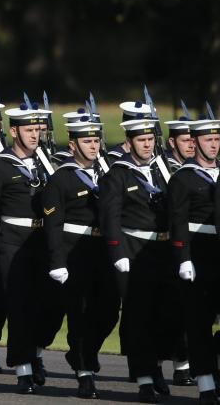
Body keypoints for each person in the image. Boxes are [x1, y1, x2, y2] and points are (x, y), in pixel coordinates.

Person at [100, 117, 181, 403]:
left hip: (163, 251)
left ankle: (157, 362)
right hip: (133, 251)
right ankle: (146, 377)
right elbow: (109, 218)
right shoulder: (118, 174)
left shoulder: (163, 171)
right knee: (140, 316)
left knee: (169, 314)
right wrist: (118, 252)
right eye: (141, 140)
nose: (147, 145)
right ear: (130, 142)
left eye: (150, 139)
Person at [0, 104, 58, 394]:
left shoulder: (46, 162)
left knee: (49, 306)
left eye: (38, 129)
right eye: (28, 130)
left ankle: (36, 352)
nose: (35, 135)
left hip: (43, 241)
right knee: (20, 307)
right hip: (12, 241)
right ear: (14, 131)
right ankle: (24, 368)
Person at [42, 117, 119, 399]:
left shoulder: (108, 174)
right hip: (75, 253)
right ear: (72, 145)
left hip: (104, 252)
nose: (93, 146)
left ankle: (82, 353)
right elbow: (53, 224)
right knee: (79, 314)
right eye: (86, 141)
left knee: (110, 310)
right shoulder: (61, 178)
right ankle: (85, 373)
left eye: (96, 141)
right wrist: (57, 260)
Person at [166, 119, 220, 403]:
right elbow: (177, 222)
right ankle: (206, 381)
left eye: (217, 140)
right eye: (208, 140)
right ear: (196, 142)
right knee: (199, 322)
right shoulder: (184, 178)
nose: (214, 145)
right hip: (197, 255)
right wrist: (183, 258)